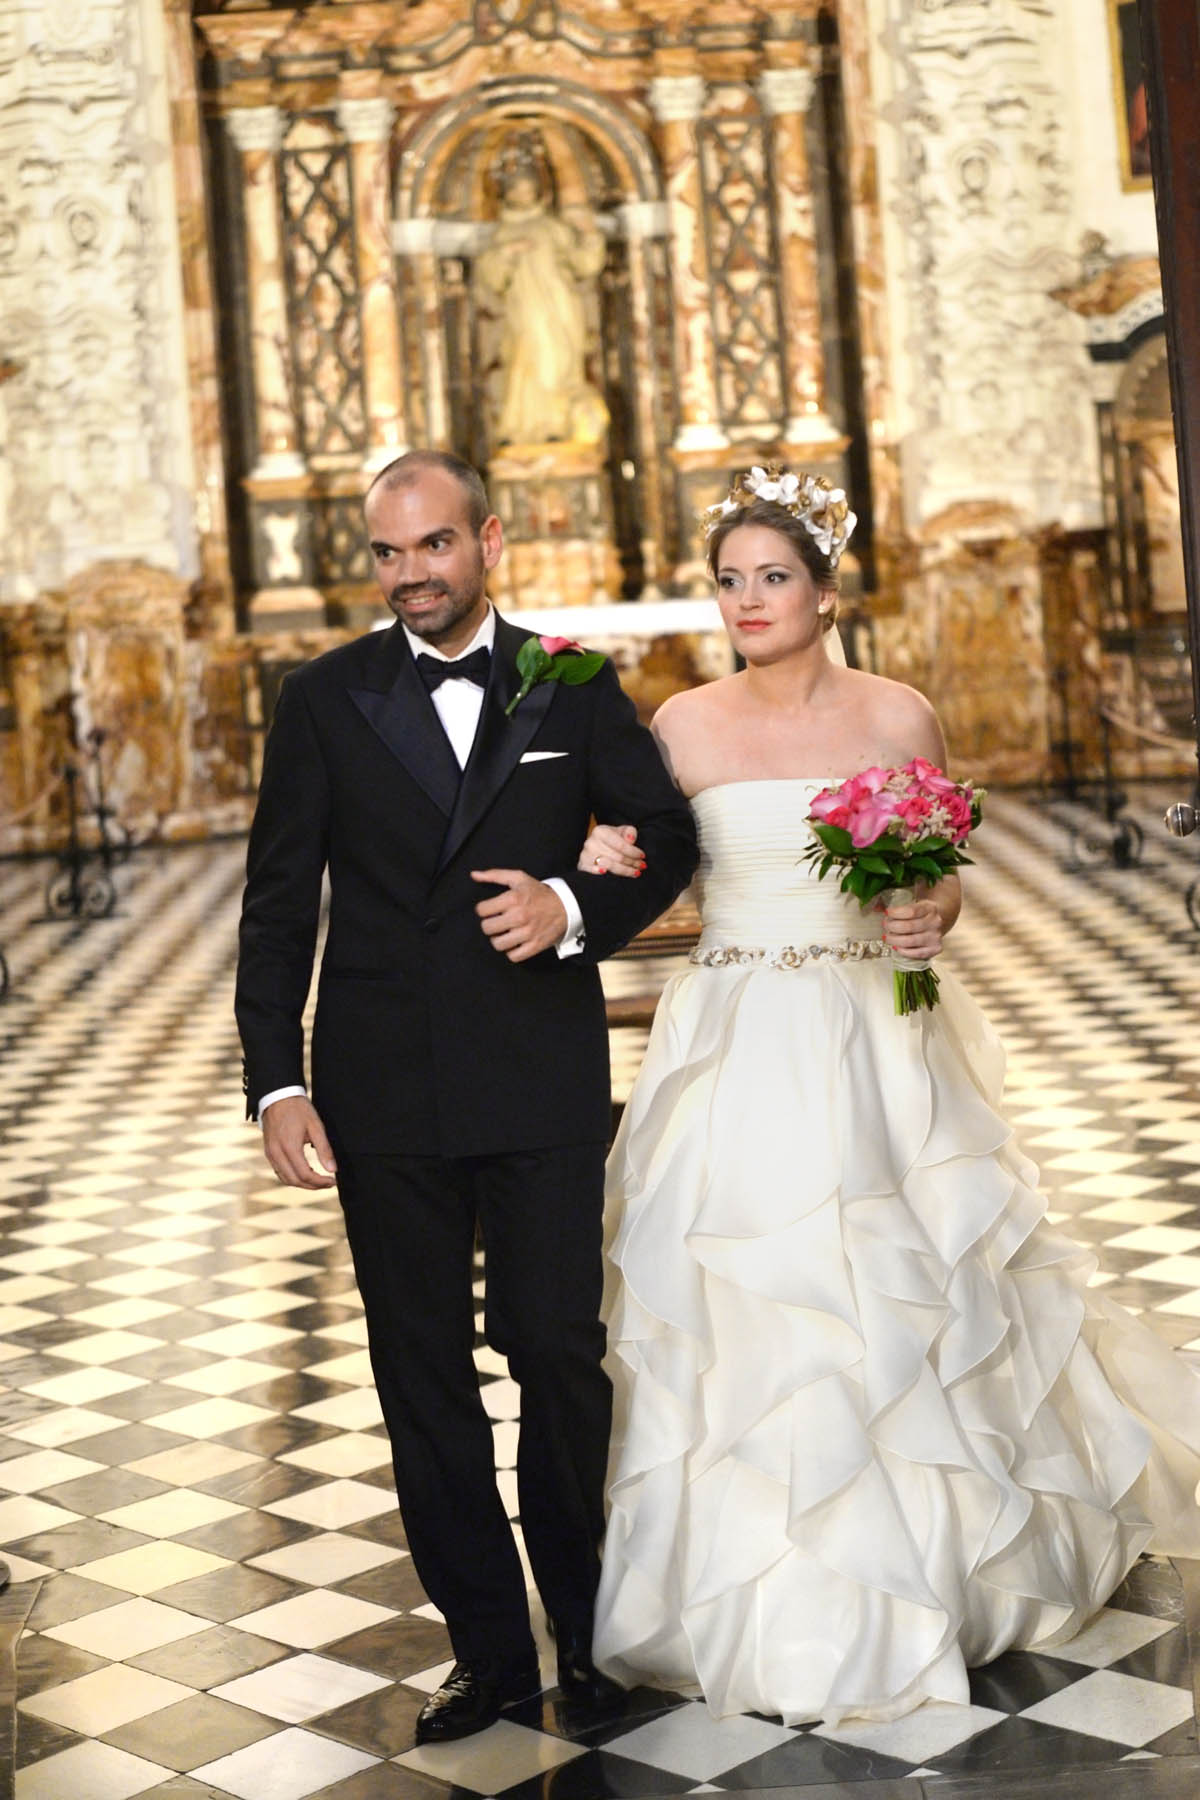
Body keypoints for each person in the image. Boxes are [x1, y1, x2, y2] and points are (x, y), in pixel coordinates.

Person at [579, 465, 1200, 1726]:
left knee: (901, 1278)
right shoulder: (681, 724)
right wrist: (597, 850)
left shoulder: (897, 714)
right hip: (736, 1033)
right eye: (730, 581)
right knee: (744, 1288)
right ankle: (745, 1582)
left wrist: (929, 912)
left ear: (826, 592)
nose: (748, 600)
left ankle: (938, 1562)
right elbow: (643, 862)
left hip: (875, 1024)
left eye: (773, 577)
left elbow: (939, 875)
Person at [234, 449, 698, 1744]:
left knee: (557, 1350)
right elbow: (279, 902)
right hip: (383, 1085)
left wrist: (570, 907)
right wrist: (275, 1081)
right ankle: (489, 1653)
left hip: (536, 1068)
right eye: (387, 553)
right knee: (420, 1370)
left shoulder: (570, 681)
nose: (410, 575)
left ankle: (591, 1633)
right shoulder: (324, 697)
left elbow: (667, 834)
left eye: (433, 546)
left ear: (487, 541)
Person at [475, 165, 608, 448]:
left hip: (560, 308)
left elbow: (584, 263)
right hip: (524, 309)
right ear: (507, 195)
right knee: (525, 363)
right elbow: (492, 278)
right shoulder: (502, 234)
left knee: (558, 365)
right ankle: (522, 429)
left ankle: (557, 425)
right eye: (517, 191)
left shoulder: (553, 228)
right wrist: (507, 252)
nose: (524, 196)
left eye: (529, 190)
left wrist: (591, 237)